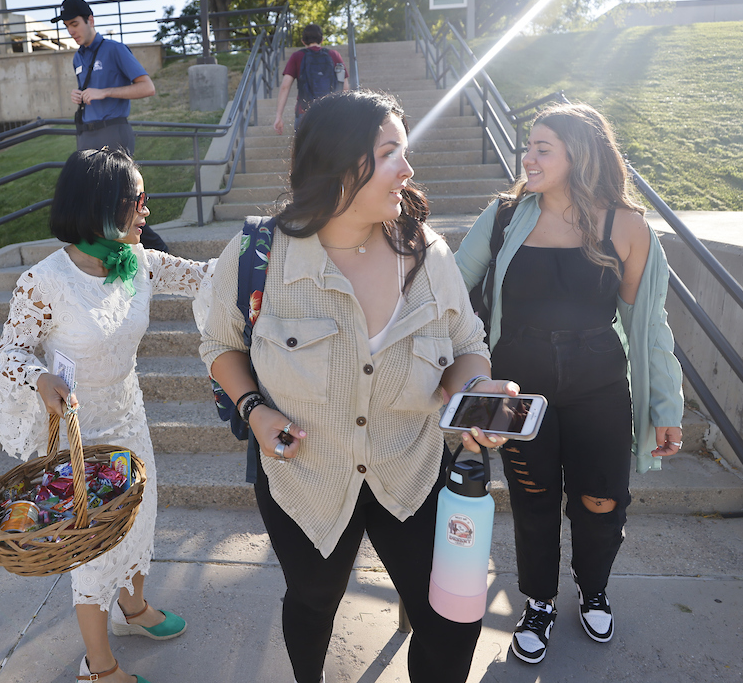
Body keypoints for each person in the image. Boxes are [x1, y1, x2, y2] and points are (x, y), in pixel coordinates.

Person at [202, 89, 518, 683]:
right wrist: (254, 410)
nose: (409, 168)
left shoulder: (427, 254)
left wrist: (477, 390)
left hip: (412, 472)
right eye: (391, 152)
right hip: (308, 480)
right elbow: (219, 345)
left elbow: (467, 342)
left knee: (450, 621)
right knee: (314, 601)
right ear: (340, 163)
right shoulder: (258, 256)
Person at [455, 102, 684, 664]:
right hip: (517, 384)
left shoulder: (625, 226)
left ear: (578, 155)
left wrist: (666, 405)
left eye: (542, 148)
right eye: (527, 146)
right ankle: (539, 600)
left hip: (599, 381)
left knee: (601, 499)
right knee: (532, 500)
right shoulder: (506, 215)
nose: (527, 158)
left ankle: (593, 586)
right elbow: (453, 291)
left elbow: (648, 322)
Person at [0, 147, 209, 683]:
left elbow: (208, 277)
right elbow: (8, 355)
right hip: (79, 434)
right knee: (92, 544)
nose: (146, 211)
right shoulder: (44, 282)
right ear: (101, 203)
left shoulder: (141, 262)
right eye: (138, 199)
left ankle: (134, 611)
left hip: (130, 415)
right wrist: (38, 378)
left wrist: (269, 252)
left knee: (139, 516)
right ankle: (99, 666)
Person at [52, 0, 168, 252]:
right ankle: (110, 256)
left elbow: (147, 87)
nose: (71, 31)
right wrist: (80, 96)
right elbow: (92, 90)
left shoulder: (114, 49)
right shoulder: (77, 58)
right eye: (67, 26)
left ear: (90, 20)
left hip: (114, 132)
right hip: (87, 135)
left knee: (120, 201)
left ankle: (161, 254)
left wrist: (105, 92)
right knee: (92, 202)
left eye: (75, 24)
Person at [272, 23, 350, 135]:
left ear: (303, 41)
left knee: (304, 151)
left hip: (305, 113)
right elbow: (345, 87)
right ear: (322, 40)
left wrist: (278, 116)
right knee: (329, 151)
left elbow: (285, 87)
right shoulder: (334, 55)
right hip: (331, 113)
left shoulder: (297, 56)